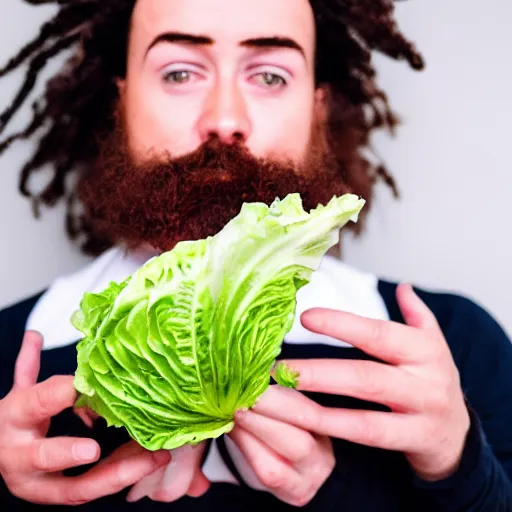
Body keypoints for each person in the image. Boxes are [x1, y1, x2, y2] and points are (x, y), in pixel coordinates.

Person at [0, 0, 511, 510]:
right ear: (123, 100)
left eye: (269, 76)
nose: (225, 119)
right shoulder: (10, 354)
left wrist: (456, 466)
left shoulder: (452, 347)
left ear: (317, 107)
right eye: (179, 72)